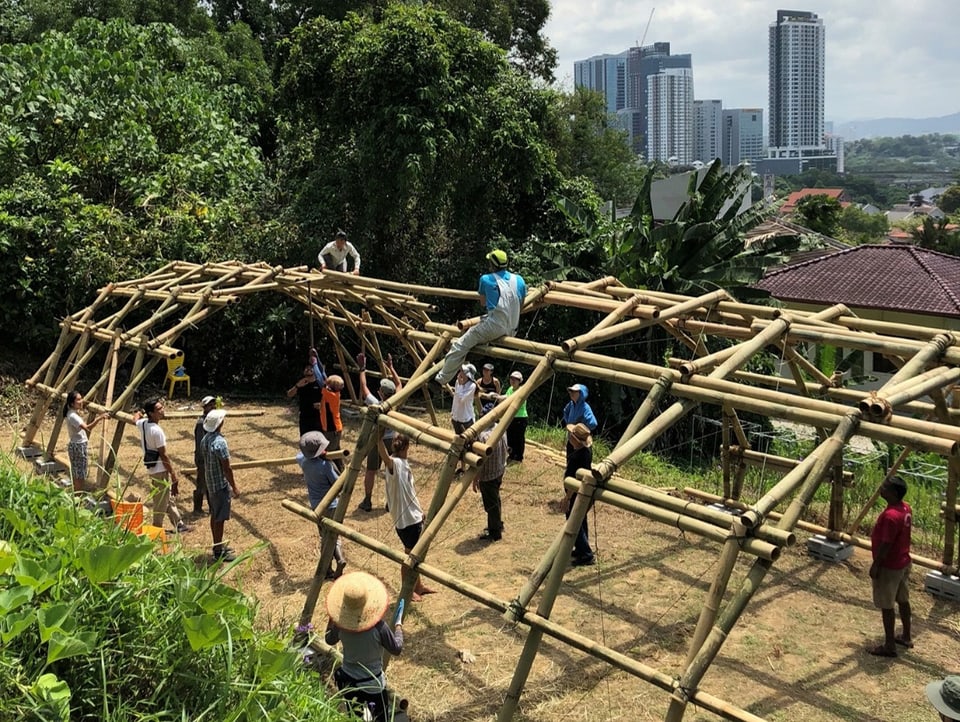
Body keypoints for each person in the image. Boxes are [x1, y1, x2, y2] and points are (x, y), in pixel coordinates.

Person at [434, 249, 526, 384]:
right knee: (478, 330)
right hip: (513, 326)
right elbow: (522, 303)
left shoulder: (486, 279)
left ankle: (441, 379)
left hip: (495, 326)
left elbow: (483, 302)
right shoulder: (519, 280)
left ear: (492, 265)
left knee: (460, 344)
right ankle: (475, 352)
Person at [325, 571, 404, 721]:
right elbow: (397, 648)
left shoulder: (341, 626)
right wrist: (399, 626)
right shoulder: (379, 628)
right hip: (373, 682)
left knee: (355, 717)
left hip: (348, 680)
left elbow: (329, 640)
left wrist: (333, 619)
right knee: (381, 718)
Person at [378, 430, 435, 601]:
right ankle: (407, 590)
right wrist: (377, 438)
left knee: (416, 555)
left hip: (414, 516)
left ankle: (418, 585)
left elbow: (410, 492)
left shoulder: (403, 463)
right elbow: (386, 458)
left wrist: (419, 510)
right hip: (406, 521)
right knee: (410, 556)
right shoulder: (394, 463)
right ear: (408, 446)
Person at [868, 474, 912, 657]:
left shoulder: (890, 516)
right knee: (903, 599)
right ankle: (906, 636)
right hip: (903, 562)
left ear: (893, 493)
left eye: (885, 487)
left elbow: (886, 543)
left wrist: (876, 564)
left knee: (887, 605)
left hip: (889, 566)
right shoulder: (905, 508)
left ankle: (889, 645)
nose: (881, 488)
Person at [135, 398, 191, 533]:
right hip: (160, 468)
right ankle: (156, 527)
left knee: (167, 497)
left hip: (152, 467)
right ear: (152, 413)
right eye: (159, 409)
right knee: (161, 500)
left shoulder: (143, 424)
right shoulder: (157, 430)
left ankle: (179, 523)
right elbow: (164, 455)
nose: (162, 410)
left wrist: (140, 411)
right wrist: (173, 473)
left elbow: (135, 418)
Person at [356, 351, 402, 511]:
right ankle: (390, 503)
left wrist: (362, 368)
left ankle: (367, 501)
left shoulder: (376, 404)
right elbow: (399, 385)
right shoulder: (395, 401)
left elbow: (363, 388)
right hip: (393, 439)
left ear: (381, 393)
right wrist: (391, 367)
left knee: (371, 470)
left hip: (377, 439)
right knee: (392, 471)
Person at [298, 430, 346, 579]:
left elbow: (299, 455)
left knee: (325, 535)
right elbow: (338, 483)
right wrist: (329, 461)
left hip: (316, 506)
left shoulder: (304, 462)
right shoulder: (325, 465)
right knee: (333, 535)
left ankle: (329, 568)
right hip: (331, 505)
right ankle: (338, 560)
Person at [200, 408, 240, 561]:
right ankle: (218, 551)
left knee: (215, 515)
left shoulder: (206, 439)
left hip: (211, 484)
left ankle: (218, 545)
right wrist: (234, 487)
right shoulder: (220, 442)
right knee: (220, 518)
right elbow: (227, 468)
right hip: (220, 486)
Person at [473, 403, 507, 541]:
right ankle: (497, 524)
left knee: (490, 504)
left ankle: (495, 532)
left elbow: (480, 461)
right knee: (496, 499)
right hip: (499, 470)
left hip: (488, 475)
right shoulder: (501, 429)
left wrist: (476, 479)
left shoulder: (482, 436)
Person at [563, 422, 595, 567]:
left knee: (573, 520)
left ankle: (586, 553)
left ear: (576, 439)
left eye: (572, 435)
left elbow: (575, 481)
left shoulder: (578, 456)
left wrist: (567, 498)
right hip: (581, 491)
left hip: (576, 491)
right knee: (581, 520)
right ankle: (582, 547)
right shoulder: (583, 451)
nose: (569, 436)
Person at [62, 390, 108, 492]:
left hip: (75, 445)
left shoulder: (71, 413)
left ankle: (76, 493)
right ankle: (78, 495)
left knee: (76, 471)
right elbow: (87, 428)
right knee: (81, 473)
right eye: (78, 399)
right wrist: (99, 418)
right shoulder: (73, 416)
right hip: (78, 446)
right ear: (71, 403)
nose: (81, 401)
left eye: (81, 398)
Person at [309, 349, 345, 468]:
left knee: (329, 454)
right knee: (336, 452)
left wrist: (314, 364)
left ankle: (334, 474)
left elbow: (320, 379)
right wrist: (317, 356)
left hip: (332, 429)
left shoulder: (330, 394)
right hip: (333, 428)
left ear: (330, 386)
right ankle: (342, 472)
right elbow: (324, 375)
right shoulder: (333, 392)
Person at [449, 364, 477, 475]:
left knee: (469, 443)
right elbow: (456, 399)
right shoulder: (458, 383)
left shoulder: (472, 385)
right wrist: (453, 412)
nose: (460, 373)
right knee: (459, 443)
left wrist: (460, 385)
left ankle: (473, 464)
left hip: (466, 418)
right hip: (457, 417)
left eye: (463, 371)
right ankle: (462, 467)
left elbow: (462, 399)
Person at [191, 395, 217, 514]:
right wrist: (204, 458)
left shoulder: (210, 421)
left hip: (209, 457)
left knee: (209, 482)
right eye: (210, 405)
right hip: (203, 458)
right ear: (204, 407)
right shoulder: (202, 423)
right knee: (202, 482)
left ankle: (212, 507)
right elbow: (201, 443)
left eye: (213, 404)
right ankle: (198, 508)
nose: (212, 407)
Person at [287, 364, 323, 437]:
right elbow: (289, 394)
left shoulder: (320, 383)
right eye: (306, 368)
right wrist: (297, 386)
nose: (308, 369)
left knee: (318, 439)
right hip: (304, 416)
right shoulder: (300, 383)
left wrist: (322, 405)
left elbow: (327, 399)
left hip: (318, 416)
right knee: (304, 439)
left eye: (311, 368)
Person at [562, 383, 597, 455]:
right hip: (571, 439)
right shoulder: (571, 404)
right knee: (570, 462)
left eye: (574, 391)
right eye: (571, 391)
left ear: (581, 393)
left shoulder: (585, 408)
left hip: (581, 442)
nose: (571, 393)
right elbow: (565, 411)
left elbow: (593, 423)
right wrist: (569, 424)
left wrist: (581, 428)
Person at [503, 370, 528, 462]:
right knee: (510, 436)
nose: (513, 381)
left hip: (520, 417)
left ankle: (518, 457)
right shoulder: (510, 389)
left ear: (520, 381)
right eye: (511, 378)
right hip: (511, 416)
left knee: (519, 438)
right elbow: (506, 397)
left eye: (516, 379)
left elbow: (510, 400)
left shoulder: (522, 390)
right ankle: (512, 454)